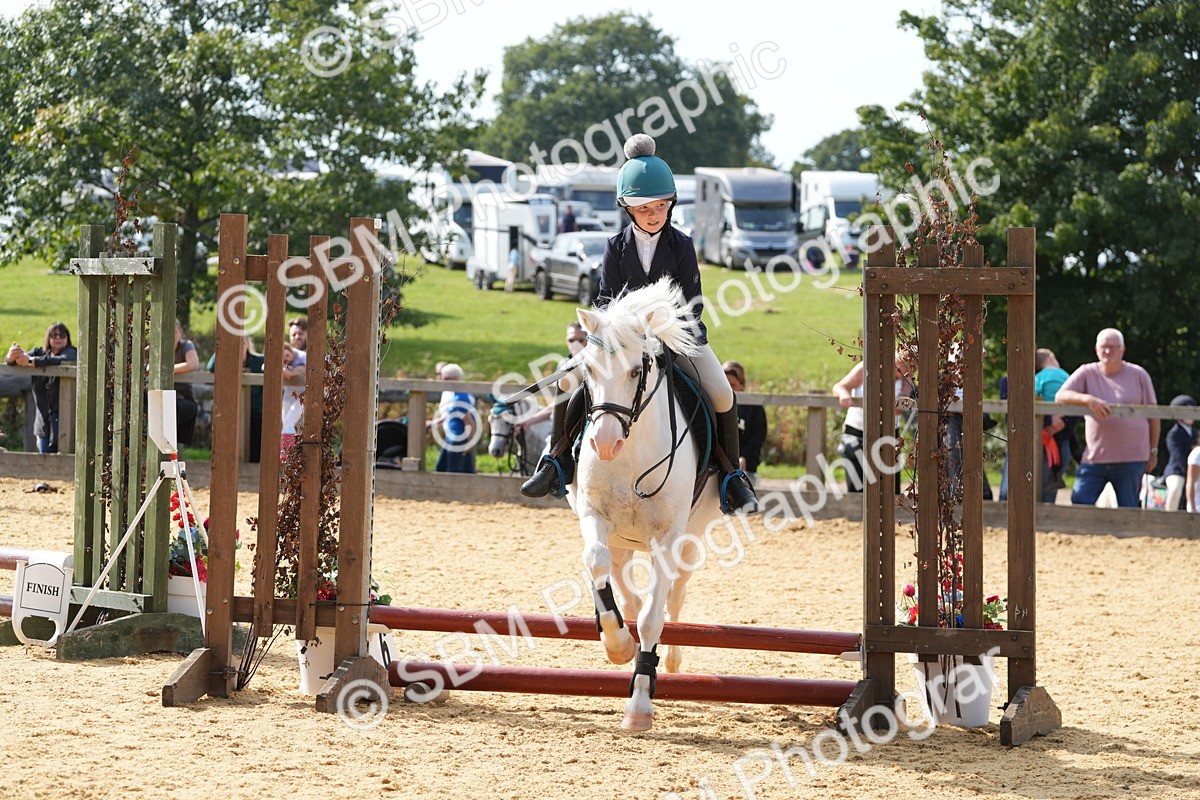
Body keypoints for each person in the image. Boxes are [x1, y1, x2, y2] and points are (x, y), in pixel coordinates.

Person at [521, 134, 757, 513]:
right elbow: (605, 301)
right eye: (644, 207)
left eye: (661, 205)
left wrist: (659, 335)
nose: (654, 214)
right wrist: (613, 333)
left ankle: (733, 477)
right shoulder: (615, 246)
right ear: (628, 208)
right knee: (568, 381)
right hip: (621, 344)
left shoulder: (682, 245)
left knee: (722, 394)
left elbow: (692, 306)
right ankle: (556, 462)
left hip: (678, 341)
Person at [1056, 328, 1158, 508]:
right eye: (1104, 347)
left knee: (1128, 508)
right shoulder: (1086, 372)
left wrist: (1153, 451)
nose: (1108, 351)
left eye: (1113, 347)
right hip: (1095, 457)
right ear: (1096, 349)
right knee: (1080, 501)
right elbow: (1061, 396)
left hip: (1132, 458)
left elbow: (1154, 415)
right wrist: (1088, 400)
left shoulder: (1139, 374)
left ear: (1122, 350)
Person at [831, 354, 915, 492]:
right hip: (857, 432)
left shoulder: (906, 380)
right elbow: (839, 386)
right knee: (857, 487)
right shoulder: (866, 367)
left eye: (910, 368)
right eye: (903, 365)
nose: (906, 370)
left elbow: (899, 409)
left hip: (888, 435)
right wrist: (844, 395)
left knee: (890, 488)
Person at [5, 322, 77, 453]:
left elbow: (63, 360)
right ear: (48, 338)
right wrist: (11, 357)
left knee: (65, 459)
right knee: (43, 459)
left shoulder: (72, 352)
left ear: (67, 338)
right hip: (43, 423)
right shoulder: (38, 352)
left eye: (62, 335)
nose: (58, 338)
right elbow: (17, 360)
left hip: (66, 422)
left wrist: (32, 361)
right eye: (54, 335)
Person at [206, 335, 265, 463]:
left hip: (255, 410)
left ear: (248, 344)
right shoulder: (226, 359)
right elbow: (211, 367)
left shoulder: (259, 360)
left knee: (256, 444)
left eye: (243, 341)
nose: (240, 344)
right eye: (236, 341)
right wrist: (223, 346)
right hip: (231, 409)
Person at [722, 361, 767, 485]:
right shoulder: (717, 404)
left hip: (746, 465)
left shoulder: (753, 407)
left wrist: (745, 456)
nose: (729, 390)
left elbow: (758, 436)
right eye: (726, 384)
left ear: (742, 384)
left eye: (733, 385)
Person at [432, 362, 476, 473]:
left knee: (453, 471)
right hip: (452, 437)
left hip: (458, 439)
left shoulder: (460, 398)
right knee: (442, 468)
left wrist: (469, 443)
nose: (442, 381)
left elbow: (469, 422)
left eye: (445, 378)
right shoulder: (455, 395)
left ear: (453, 379)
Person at [1163, 394, 1197, 511]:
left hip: (1195, 470)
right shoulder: (1174, 434)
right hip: (1178, 470)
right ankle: (1169, 516)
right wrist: (1189, 471)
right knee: (1175, 487)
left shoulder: (1195, 433)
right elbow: (1178, 456)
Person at [173, 319, 201, 448]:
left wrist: (168, 369)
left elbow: (193, 364)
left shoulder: (186, 345)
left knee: (173, 410)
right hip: (161, 399)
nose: (173, 335)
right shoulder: (155, 347)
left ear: (180, 332)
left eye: (175, 332)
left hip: (185, 399)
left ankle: (173, 451)